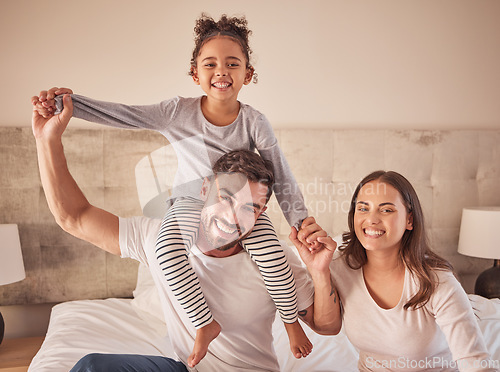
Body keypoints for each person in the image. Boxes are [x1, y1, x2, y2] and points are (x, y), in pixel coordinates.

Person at [31, 14, 313, 366]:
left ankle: (290, 323)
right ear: (195, 74)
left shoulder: (254, 121)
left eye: (232, 63)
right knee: (165, 250)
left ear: (248, 74)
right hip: (190, 199)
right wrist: (67, 106)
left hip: (240, 204)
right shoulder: (177, 111)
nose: (221, 71)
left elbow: (279, 173)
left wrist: (300, 222)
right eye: (210, 64)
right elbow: (123, 115)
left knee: (275, 255)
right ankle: (203, 324)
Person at [290, 170, 497, 371]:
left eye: (386, 210)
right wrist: (319, 271)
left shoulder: (435, 280)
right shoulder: (341, 266)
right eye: (363, 208)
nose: (371, 219)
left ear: (409, 220)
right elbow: (328, 328)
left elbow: (476, 363)